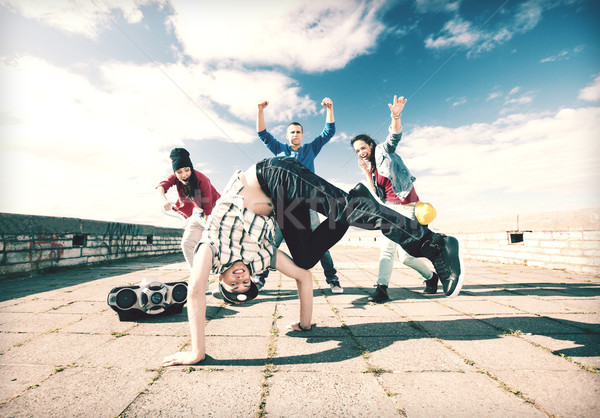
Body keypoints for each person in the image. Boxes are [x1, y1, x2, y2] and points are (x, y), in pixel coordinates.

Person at [162, 155, 464, 367]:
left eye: (234, 283)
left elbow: (195, 291)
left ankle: (434, 245)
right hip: (281, 202)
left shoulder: (211, 251)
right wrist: (305, 324)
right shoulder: (261, 259)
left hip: (273, 175)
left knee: (354, 210)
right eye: (245, 283)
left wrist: (197, 351)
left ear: (221, 280)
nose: (241, 278)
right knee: (305, 258)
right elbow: (303, 277)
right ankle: (356, 202)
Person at [352, 95, 439, 303]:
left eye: (363, 147)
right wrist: (366, 173)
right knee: (387, 250)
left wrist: (396, 116)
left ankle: (431, 277)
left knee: (406, 256)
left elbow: (394, 137)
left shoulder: (383, 150)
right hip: (390, 209)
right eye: (357, 151)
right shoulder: (371, 169)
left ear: (371, 145)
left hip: (407, 207)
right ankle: (381, 288)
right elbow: (378, 196)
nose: (361, 152)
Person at [254, 97, 343, 294]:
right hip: (283, 206)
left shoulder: (310, 149)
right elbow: (262, 134)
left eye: (298, 132)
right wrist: (260, 111)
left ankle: (332, 279)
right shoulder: (280, 150)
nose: (295, 134)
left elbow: (329, 132)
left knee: (319, 242)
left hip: (308, 203)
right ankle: (259, 279)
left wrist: (330, 108)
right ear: (287, 136)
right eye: (292, 132)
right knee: (272, 242)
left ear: (302, 135)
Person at [156, 148, 220, 280]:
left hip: (215, 213)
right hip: (197, 215)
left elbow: (208, 208)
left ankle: (226, 277)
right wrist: (164, 200)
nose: (184, 175)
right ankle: (199, 279)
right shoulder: (175, 178)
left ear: (191, 168)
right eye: (179, 172)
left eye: (187, 170)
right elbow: (161, 186)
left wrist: (207, 234)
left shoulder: (203, 180)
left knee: (216, 244)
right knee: (187, 244)